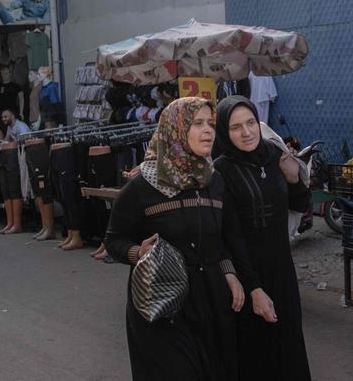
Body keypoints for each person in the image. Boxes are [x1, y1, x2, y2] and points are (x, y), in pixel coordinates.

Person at [105, 97, 243, 380]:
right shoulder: (142, 185)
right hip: (163, 302)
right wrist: (137, 252)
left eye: (211, 124)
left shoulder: (214, 181)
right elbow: (114, 240)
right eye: (197, 123)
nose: (208, 131)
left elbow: (223, 239)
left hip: (212, 300)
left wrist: (229, 274)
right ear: (175, 129)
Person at [214, 96, 312, 381]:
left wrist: (294, 180)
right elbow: (230, 235)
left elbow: (298, 206)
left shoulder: (273, 154)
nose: (246, 132)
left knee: (289, 346)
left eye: (250, 123)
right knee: (256, 355)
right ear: (224, 131)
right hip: (248, 276)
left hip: (283, 270)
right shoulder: (222, 170)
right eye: (235, 127)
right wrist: (254, 288)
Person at [0, 109, 30, 234]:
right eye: (2, 117)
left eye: (6, 116)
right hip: (7, 156)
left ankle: (16, 224)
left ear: (13, 115)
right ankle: (10, 222)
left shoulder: (21, 127)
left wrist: (11, 143)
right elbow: (7, 140)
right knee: (7, 190)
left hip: (18, 158)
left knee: (14, 189)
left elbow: (26, 140)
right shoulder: (10, 128)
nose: (4, 119)